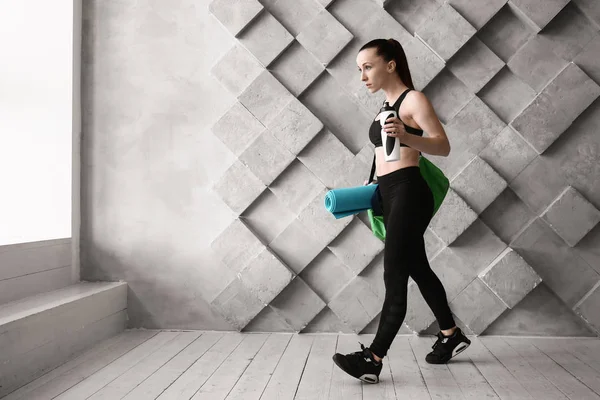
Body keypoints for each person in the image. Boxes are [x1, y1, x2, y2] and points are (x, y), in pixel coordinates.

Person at [332, 38, 471, 384]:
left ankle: (373, 358)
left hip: (410, 191)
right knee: (417, 268)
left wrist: (408, 138)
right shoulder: (386, 105)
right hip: (389, 193)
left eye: (367, 66)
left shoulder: (414, 100)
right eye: (359, 69)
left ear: (390, 64)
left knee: (394, 274)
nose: (362, 75)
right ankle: (451, 334)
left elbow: (443, 145)